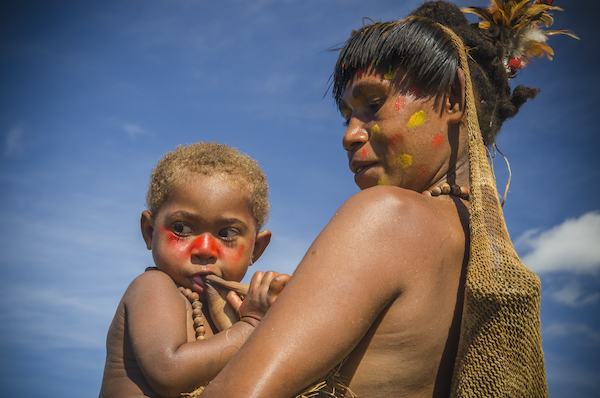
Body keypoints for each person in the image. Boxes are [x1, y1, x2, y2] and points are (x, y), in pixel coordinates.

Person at [199, 1, 576, 397]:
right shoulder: (475, 248)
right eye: (348, 116)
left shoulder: (389, 216)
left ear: (452, 98)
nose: (350, 135)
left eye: (373, 105)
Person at [99, 142, 290, 398]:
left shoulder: (232, 315)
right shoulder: (154, 288)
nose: (205, 249)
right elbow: (168, 371)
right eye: (182, 228)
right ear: (149, 232)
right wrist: (253, 326)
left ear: (257, 249)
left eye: (227, 233)